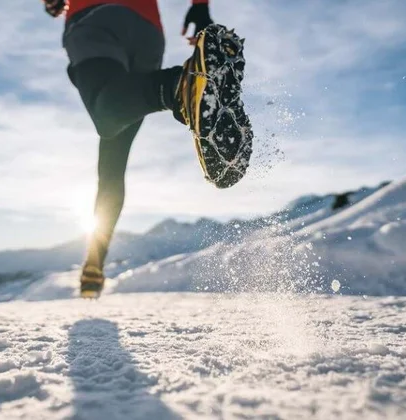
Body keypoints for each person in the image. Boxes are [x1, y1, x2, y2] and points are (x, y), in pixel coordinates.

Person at [43, 0, 253, 298]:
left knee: (108, 114)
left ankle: (179, 86)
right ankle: (94, 265)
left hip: (93, 18)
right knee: (113, 153)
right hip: (147, 31)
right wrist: (200, 5)